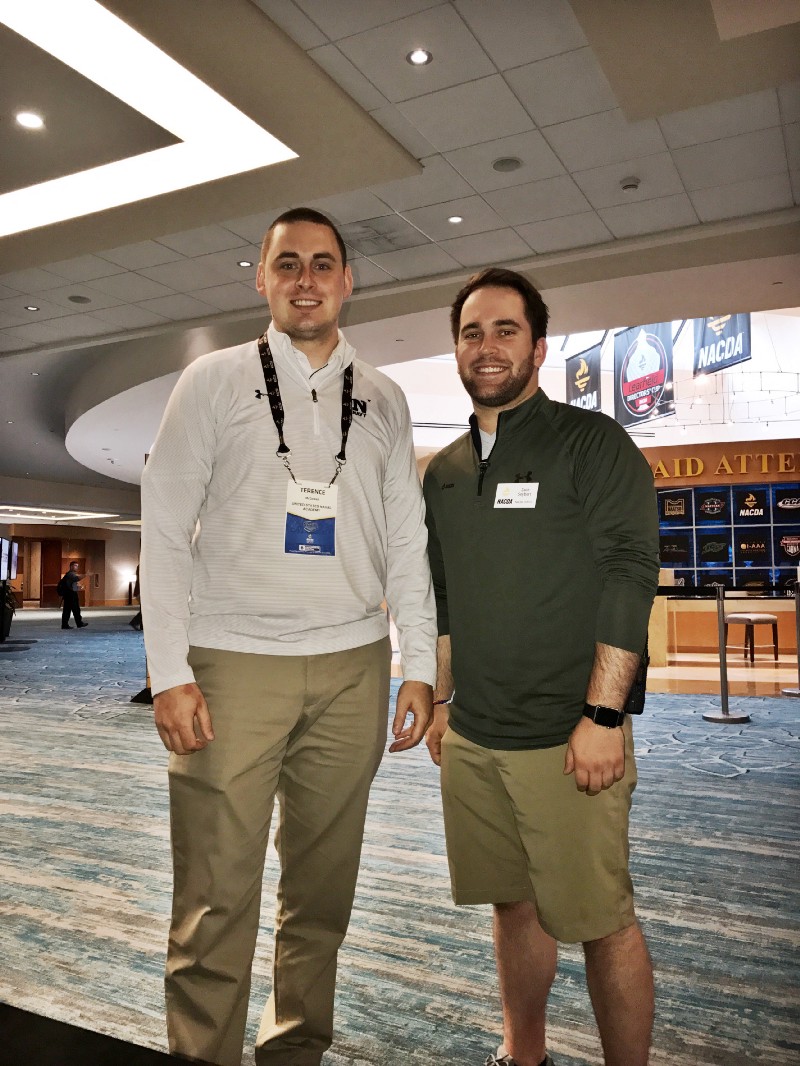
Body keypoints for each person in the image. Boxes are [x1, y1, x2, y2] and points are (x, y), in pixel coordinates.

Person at [140, 207, 436, 1066]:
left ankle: (295, 1049)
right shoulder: (212, 381)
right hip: (232, 666)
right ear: (262, 280)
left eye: (323, 263)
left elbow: (407, 539)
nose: (306, 280)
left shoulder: (384, 397)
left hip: (352, 667)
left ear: (348, 280)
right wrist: (168, 671)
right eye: (288, 264)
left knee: (321, 894)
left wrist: (418, 663)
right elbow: (164, 528)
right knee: (214, 897)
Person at [422, 268, 659, 1066]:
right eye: (471, 332)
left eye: (506, 330)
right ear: (457, 348)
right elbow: (444, 597)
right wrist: (444, 701)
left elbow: (629, 573)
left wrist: (604, 715)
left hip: (568, 739)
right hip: (476, 740)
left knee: (602, 923)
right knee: (511, 907)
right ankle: (522, 1053)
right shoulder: (445, 469)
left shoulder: (592, 442)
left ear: (539, 347)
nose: (487, 347)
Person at [60, 561, 89, 629]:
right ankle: (78, 623)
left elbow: (73, 583)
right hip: (71, 594)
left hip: (69, 594)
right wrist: (86, 575)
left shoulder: (69, 574)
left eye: (77, 566)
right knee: (74, 609)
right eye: (75, 566)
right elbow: (77, 578)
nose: (77, 567)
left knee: (69, 610)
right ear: (71, 566)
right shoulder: (70, 574)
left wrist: (78, 587)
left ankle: (66, 624)